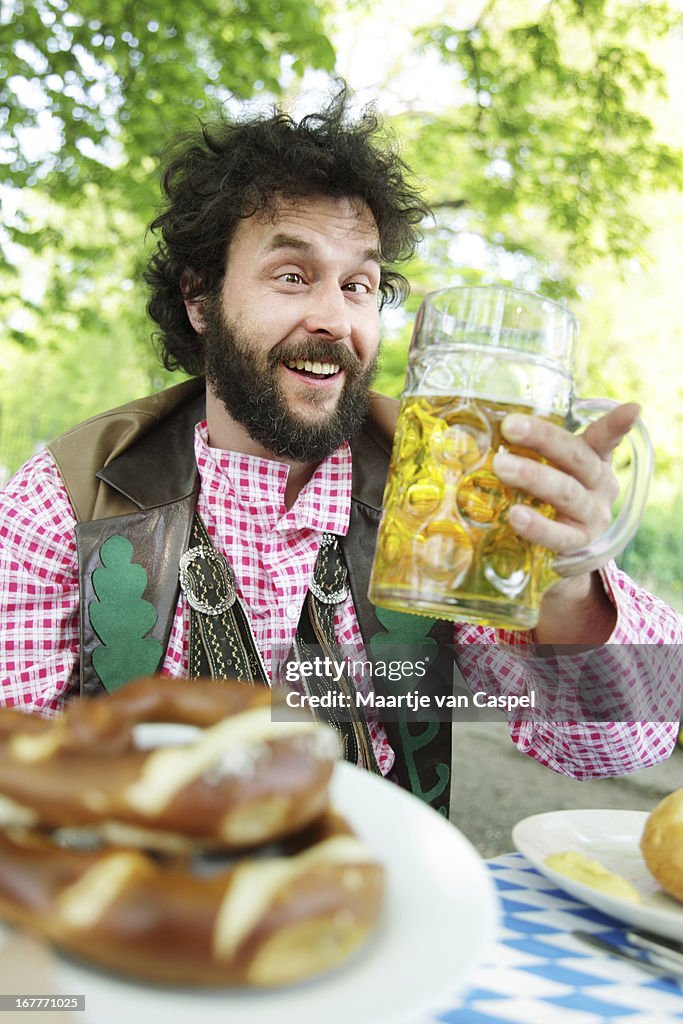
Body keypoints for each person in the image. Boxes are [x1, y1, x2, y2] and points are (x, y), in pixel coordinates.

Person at [1, 93, 680, 817]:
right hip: (148, 902)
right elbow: (18, 777)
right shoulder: (64, 501)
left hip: (382, 903)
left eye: (357, 285)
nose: (334, 319)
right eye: (293, 275)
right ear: (200, 298)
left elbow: (615, 749)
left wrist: (566, 588)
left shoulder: (441, 503)